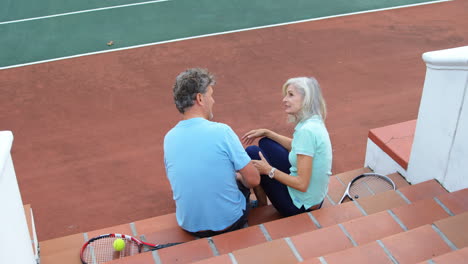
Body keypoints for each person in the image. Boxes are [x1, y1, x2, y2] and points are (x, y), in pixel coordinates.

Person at [164, 68, 260, 238]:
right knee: (245, 179)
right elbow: (253, 179)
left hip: (189, 225)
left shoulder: (169, 138)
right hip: (229, 223)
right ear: (200, 98)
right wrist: (238, 177)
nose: (213, 100)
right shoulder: (222, 131)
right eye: (210, 94)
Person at [242, 77, 332, 217]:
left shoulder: (306, 132)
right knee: (266, 142)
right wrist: (268, 133)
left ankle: (261, 204)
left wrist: (269, 170)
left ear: (306, 98)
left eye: (290, 95)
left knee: (252, 152)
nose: (284, 100)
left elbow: (302, 184)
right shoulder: (314, 121)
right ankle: (263, 198)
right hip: (312, 198)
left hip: (299, 206)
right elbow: (297, 147)